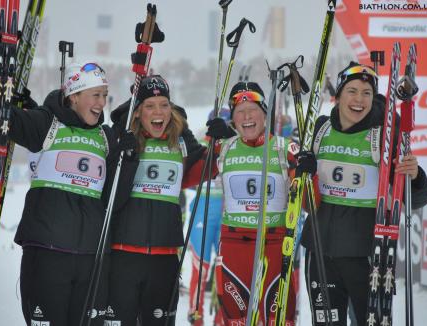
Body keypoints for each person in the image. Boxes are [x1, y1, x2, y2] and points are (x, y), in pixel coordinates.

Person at [0, 53, 137, 325]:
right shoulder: (46, 124)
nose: (101, 103)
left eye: (104, 95)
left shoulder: (106, 138)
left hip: (91, 260)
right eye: (95, 95)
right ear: (73, 96)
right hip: (48, 255)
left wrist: (129, 160)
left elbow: (113, 201)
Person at [300, 62, 427, 326]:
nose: (359, 99)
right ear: (338, 95)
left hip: (368, 258)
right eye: (352, 91)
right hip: (321, 252)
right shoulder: (320, 130)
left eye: (366, 93)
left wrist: (415, 177)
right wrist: (302, 173)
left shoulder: (385, 135)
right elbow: (304, 199)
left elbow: (416, 199)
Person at [206, 81, 314, 325]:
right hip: (235, 246)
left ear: (265, 113)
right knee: (236, 318)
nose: (247, 117)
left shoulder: (284, 149)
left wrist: (309, 173)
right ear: (232, 118)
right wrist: (207, 141)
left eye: (253, 110)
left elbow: (310, 201)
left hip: (275, 244)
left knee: (278, 318)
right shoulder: (224, 149)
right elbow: (188, 170)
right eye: (239, 112)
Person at [106, 75, 211, 326]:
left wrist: (217, 146)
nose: (158, 112)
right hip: (123, 255)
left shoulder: (181, 139)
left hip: (164, 257)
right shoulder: (123, 135)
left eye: (164, 104)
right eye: (150, 105)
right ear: (138, 110)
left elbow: (202, 169)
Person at [186, 108, 230, 326]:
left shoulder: (234, 145)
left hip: (226, 208)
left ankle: (223, 320)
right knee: (200, 266)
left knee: (225, 268)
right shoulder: (202, 143)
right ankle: (197, 316)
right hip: (203, 205)